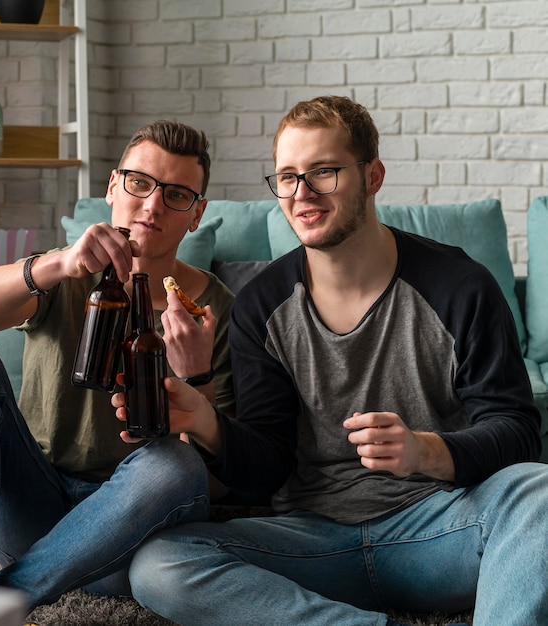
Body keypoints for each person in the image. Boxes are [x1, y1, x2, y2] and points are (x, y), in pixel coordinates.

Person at [123, 96, 548, 626]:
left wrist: (425, 451)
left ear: (372, 176)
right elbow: (267, 464)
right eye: (287, 177)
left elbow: (517, 431)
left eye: (323, 172)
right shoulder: (261, 305)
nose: (302, 194)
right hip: (313, 541)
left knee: (540, 493)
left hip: (441, 530)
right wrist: (205, 422)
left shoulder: (460, 287)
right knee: (160, 564)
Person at [0, 120, 233, 611]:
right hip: (35, 508)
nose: (152, 205)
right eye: (140, 183)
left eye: (176, 195)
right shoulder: (66, 274)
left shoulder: (214, 312)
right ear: (113, 186)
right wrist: (57, 264)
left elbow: (216, 482)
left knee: (176, 465)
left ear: (196, 214)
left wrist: (196, 379)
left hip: (127, 533)